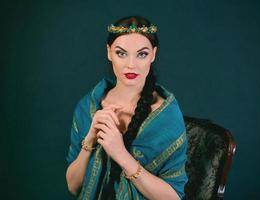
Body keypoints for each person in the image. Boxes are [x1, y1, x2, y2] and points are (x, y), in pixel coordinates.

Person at [65, 16, 188, 200]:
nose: (131, 64)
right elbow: (73, 187)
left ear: (153, 54)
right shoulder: (88, 107)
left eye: (142, 54)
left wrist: (121, 154)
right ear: (109, 52)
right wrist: (89, 140)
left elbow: (173, 197)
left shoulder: (166, 116)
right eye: (121, 53)